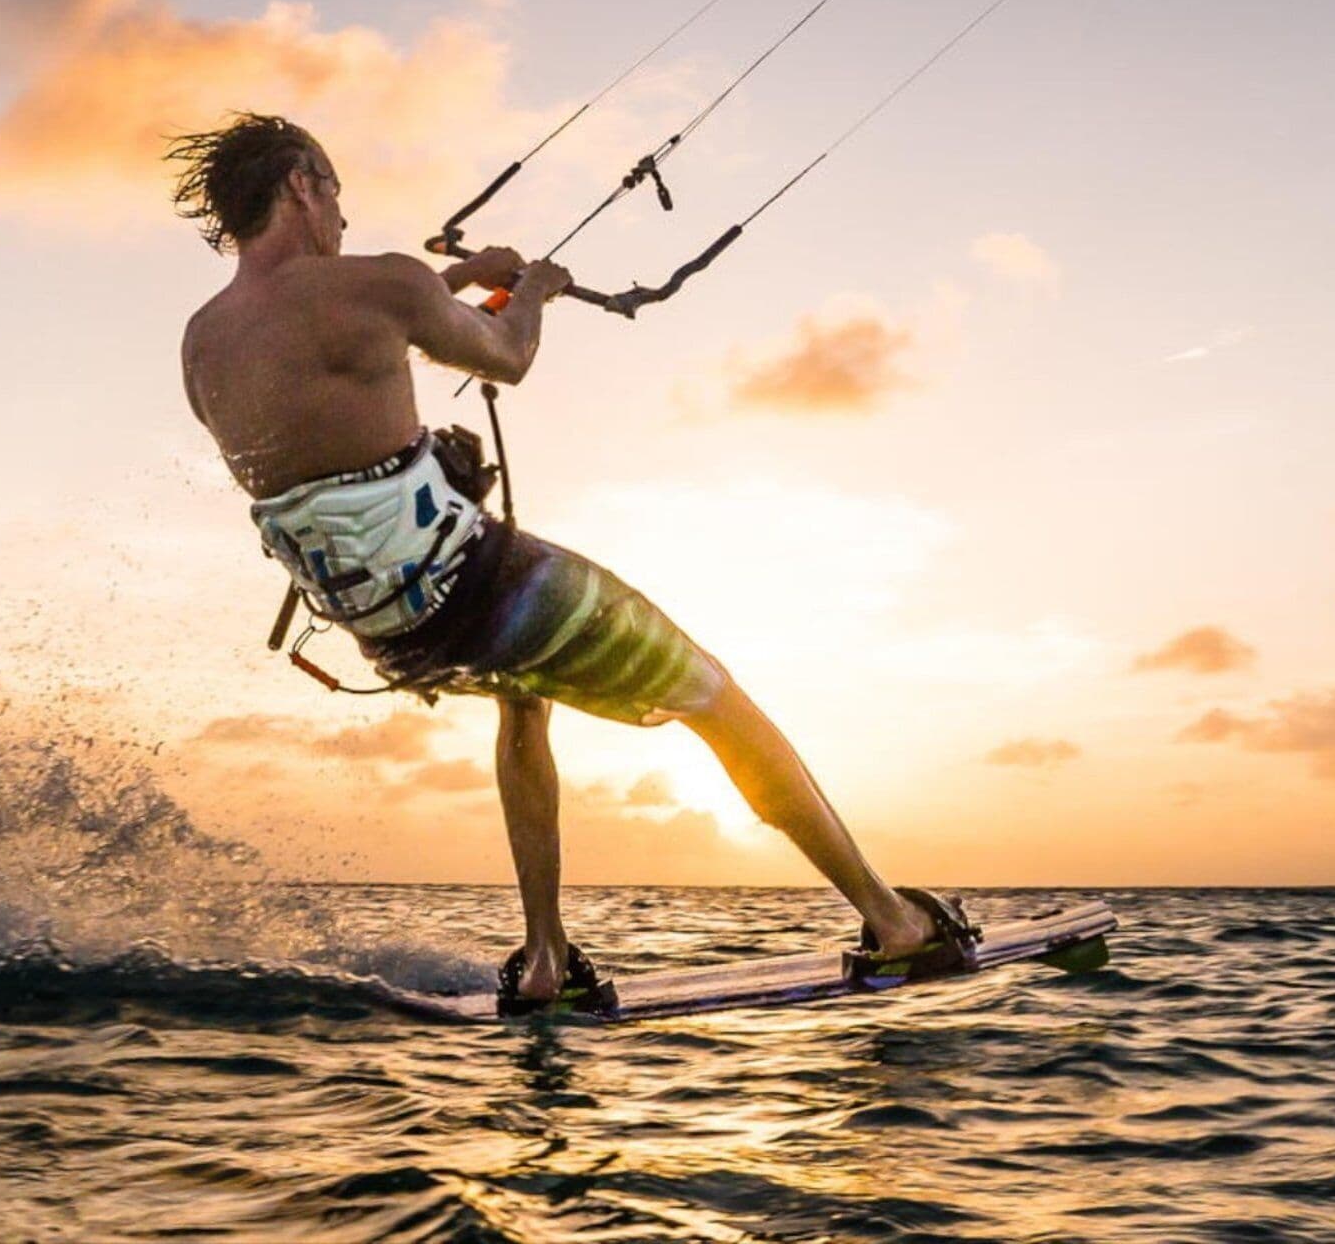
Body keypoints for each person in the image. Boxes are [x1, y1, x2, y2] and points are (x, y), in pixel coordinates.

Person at [171, 111, 975, 1014]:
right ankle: (897, 924)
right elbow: (504, 359)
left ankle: (547, 959)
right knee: (717, 697)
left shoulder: (207, 342)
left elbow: (342, 346)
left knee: (524, 700)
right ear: (301, 187)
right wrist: (536, 290)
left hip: (389, 633)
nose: (346, 220)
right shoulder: (377, 287)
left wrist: (466, 279)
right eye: (338, 194)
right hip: (481, 587)